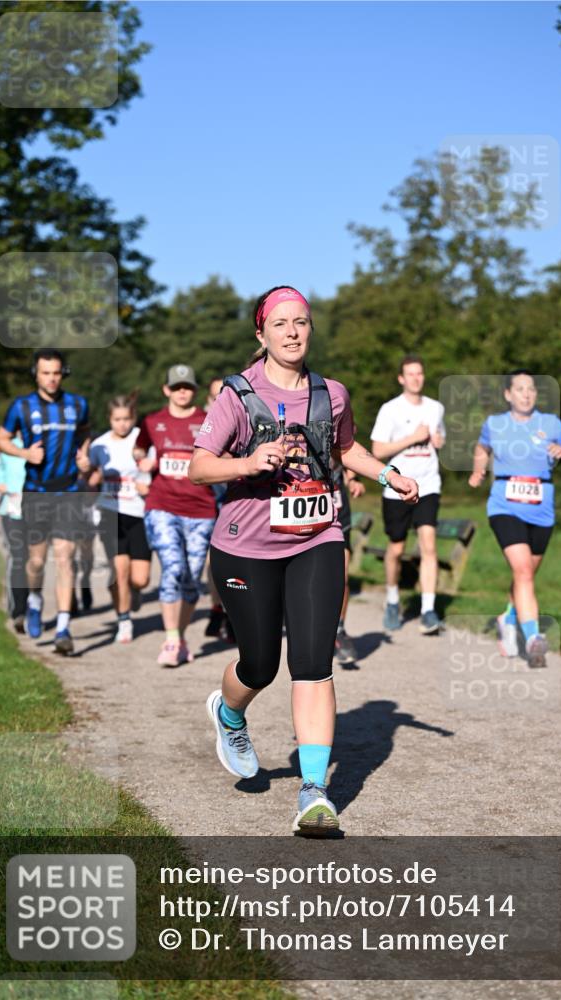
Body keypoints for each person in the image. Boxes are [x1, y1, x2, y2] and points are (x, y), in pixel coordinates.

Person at [189, 285, 419, 836]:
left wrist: (389, 475)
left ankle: (315, 793)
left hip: (317, 538)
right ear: (261, 333)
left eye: (303, 322)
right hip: (246, 545)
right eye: (282, 323)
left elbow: (344, 449)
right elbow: (199, 467)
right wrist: (247, 463)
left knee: (313, 663)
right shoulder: (237, 396)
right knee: (261, 664)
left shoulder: (331, 393)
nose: (294, 331)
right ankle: (230, 711)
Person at [469, 369, 561, 668]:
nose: (527, 393)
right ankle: (533, 639)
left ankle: (506, 617)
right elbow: (482, 448)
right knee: (523, 572)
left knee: (526, 574)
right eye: (520, 389)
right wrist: (478, 470)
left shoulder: (550, 423)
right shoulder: (495, 424)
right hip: (505, 505)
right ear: (508, 394)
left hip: (542, 510)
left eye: (531, 388)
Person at [0, 349, 90, 655]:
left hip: (69, 491)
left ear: (64, 373)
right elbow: (1, 439)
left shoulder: (78, 404)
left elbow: (85, 433)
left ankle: (63, 628)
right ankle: (34, 600)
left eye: (57, 372)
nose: (51, 378)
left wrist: (83, 454)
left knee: (64, 556)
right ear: (35, 373)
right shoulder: (21, 406)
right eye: (46, 372)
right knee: (36, 561)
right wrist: (25, 454)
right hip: (36, 491)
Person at [134, 365, 217, 666]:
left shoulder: (208, 421)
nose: (183, 391)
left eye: (188, 387)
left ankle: (179, 637)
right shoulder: (152, 422)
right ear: (166, 390)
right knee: (172, 567)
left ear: (194, 391)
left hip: (201, 509)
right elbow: (139, 449)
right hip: (162, 505)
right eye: (177, 386)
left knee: (192, 578)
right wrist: (142, 462)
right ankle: (170, 640)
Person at [370, 354, 446, 634]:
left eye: (420, 373)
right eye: (410, 374)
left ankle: (428, 609)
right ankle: (392, 599)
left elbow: (440, 437)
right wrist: (412, 438)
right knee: (397, 549)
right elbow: (377, 451)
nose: (416, 378)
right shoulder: (390, 410)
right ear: (401, 378)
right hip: (398, 488)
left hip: (428, 484)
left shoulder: (436, 408)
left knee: (429, 545)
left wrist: (438, 441)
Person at [85, 392, 152, 643]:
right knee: (119, 571)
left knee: (140, 578)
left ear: (133, 418)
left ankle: (133, 592)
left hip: (139, 512)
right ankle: (123, 621)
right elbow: (89, 475)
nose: (122, 424)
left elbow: (153, 467)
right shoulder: (99, 445)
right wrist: (88, 476)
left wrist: (149, 485)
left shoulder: (141, 439)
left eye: (126, 419)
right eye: (117, 419)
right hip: (110, 512)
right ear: (109, 419)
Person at [203, 377, 235, 644]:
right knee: (213, 561)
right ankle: (218, 608)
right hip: (206, 501)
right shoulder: (204, 426)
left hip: (237, 500)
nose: (220, 400)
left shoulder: (241, 417)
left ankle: (231, 612)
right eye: (215, 396)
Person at [332, 457, 366, 664]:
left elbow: (348, 451)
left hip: (338, 512)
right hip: (302, 513)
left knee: (340, 578)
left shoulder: (341, 424)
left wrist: (353, 479)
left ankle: (339, 630)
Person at [0, 436, 28, 631]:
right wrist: (3, 485)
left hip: (36, 509)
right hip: (11, 509)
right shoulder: (9, 445)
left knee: (34, 560)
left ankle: (32, 606)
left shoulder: (43, 442)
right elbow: (0, 474)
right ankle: (18, 611)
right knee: (18, 556)